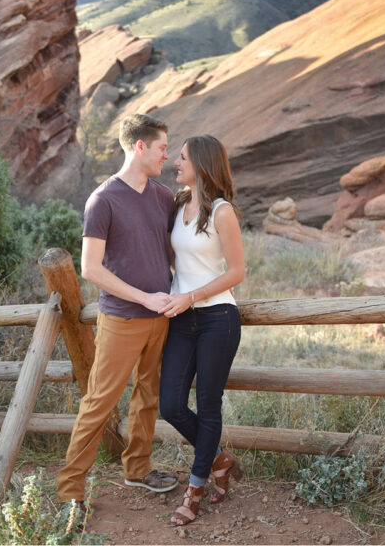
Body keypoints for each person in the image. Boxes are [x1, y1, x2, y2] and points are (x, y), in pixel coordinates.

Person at [57, 114, 179, 512]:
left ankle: (138, 468)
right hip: (123, 319)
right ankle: (71, 490)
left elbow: (173, 252)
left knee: (148, 396)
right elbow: (90, 268)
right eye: (162, 147)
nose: (167, 154)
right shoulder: (103, 199)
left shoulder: (162, 196)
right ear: (140, 146)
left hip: (162, 318)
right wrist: (144, 298)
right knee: (100, 402)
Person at [157, 135, 247, 526]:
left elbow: (237, 272)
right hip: (182, 319)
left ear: (202, 163)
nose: (175, 162)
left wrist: (191, 296)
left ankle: (194, 491)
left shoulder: (223, 212)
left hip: (217, 319)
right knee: (171, 405)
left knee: (209, 405)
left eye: (181, 157)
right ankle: (219, 460)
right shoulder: (178, 204)